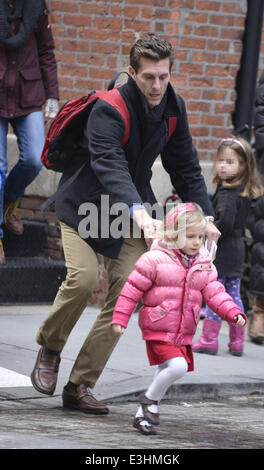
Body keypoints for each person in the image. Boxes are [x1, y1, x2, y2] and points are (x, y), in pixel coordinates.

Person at [31, 35, 220, 415]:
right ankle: (51, 347)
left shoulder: (173, 107)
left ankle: (80, 383)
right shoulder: (109, 107)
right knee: (83, 280)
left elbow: (184, 165)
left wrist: (207, 217)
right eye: (148, 76)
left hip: (131, 214)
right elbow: (108, 163)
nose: (156, 86)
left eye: (163, 77)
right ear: (132, 72)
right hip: (85, 205)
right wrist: (137, 211)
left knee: (130, 289)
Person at [111, 202, 247, 435]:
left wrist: (232, 312)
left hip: (183, 330)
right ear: (174, 234)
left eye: (200, 236)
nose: (197, 242)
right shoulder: (154, 259)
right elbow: (132, 289)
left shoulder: (204, 264)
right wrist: (120, 318)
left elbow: (215, 293)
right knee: (178, 366)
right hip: (159, 325)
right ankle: (150, 400)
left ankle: (141, 417)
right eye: (191, 236)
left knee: (165, 371)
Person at [0, 0, 59, 264]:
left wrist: (52, 97)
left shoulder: (36, 5)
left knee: (35, 158)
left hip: (29, 93)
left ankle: (8, 201)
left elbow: (46, 51)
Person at [192, 136, 263, 356]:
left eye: (230, 162)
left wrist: (205, 227)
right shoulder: (243, 191)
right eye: (221, 160)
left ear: (243, 166)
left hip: (222, 249)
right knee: (233, 295)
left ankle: (209, 339)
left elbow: (224, 223)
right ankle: (236, 341)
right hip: (238, 247)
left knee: (216, 295)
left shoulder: (227, 195)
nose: (223, 165)